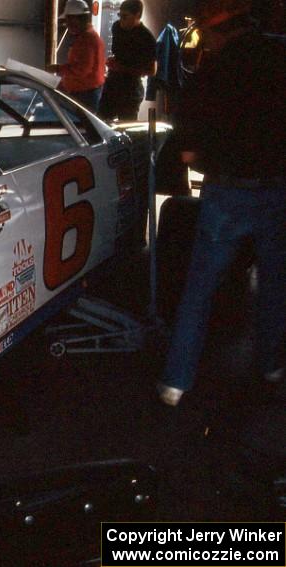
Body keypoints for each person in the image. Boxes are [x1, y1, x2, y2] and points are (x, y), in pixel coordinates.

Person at [157, 0, 286, 406]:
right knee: (274, 285)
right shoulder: (280, 57)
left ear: (219, 28)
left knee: (200, 289)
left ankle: (176, 383)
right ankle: (271, 366)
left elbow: (187, 148)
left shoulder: (211, 70)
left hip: (227, 194)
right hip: (277, 189)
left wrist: (204, 156)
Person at [98, 0, 157, 121]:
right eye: (120, 15)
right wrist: (112, 61)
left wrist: (122, 68)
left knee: (126, 127)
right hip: (112, 85)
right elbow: (119, 53)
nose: (121, 20)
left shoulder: (146, 38)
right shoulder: (116, 27)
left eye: (125, 16)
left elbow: (152, 70)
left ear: (137, 15)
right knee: (101, 123)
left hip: (130, 90)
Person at [47, 0, 106, 112]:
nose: (67, 24)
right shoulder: (87, 37)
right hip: (85, 92)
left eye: (68, 19)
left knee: (81, 128)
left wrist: (57, 68)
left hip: (85, 95)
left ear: (76, 18)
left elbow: (81, 70)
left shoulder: (87, 40)